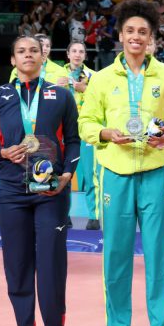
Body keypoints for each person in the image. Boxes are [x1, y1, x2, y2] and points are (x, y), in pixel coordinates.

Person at [78, 0, 164, 326]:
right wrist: (105, 134)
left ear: (152, 37)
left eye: (143, 31)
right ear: (120, 35)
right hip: (117, 174)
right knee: (116, 256)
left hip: (155, 172)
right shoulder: (102, 78)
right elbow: (86, 122)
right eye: (130, 31)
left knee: (158, 255)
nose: (136, 37)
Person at [0, 36, 79, 326]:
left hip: (50, 192)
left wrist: (66, 176)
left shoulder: (60, 95)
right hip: (12, 192)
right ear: (13, 60)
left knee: (50, 265)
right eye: (22, 51)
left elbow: (73, 141)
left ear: (42, 57)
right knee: (17, 265)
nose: (28, 55)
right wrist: (2, 151)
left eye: (33, 50)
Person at [64, 39, 99, 230]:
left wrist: (84, 88)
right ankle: (63, 215)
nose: (77, 54)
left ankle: (94, 217)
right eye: (74, 51)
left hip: (86, 131)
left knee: (90, 174)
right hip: (63, 130)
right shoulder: (57, 75)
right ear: (67, 54)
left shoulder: (94, 76)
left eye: (81, 51)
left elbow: (99, 100)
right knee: (62, 174)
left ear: (85, 55)